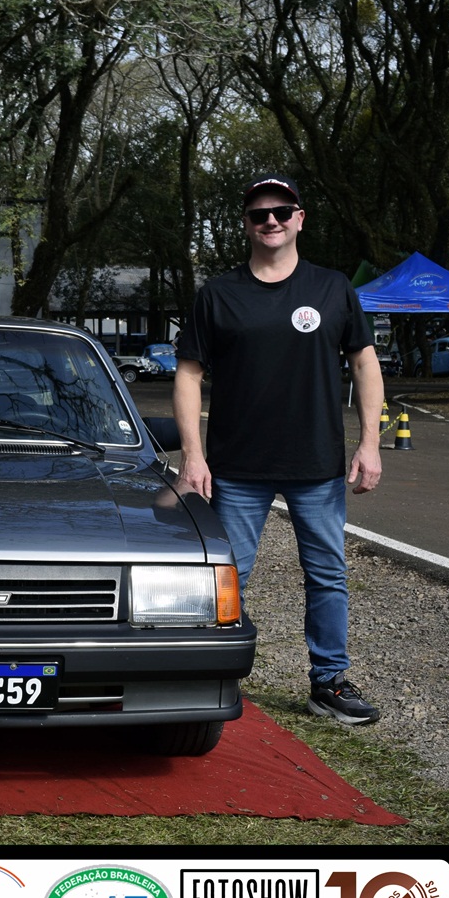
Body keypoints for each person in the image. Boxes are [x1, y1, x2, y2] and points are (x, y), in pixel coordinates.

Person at [173, 173, 385, 726]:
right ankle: (211, 677)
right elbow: (189, 373)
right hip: (236, 468)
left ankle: (329, 682)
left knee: (327, 575)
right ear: (246, 224)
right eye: (259, 214)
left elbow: (365, 363)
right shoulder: (218, 294)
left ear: (300, 219)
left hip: (316, 465)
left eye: (281, 211)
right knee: (226, 578)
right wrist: (192, 454)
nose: (271, 220)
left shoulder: (332, 287)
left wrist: (369, 443)